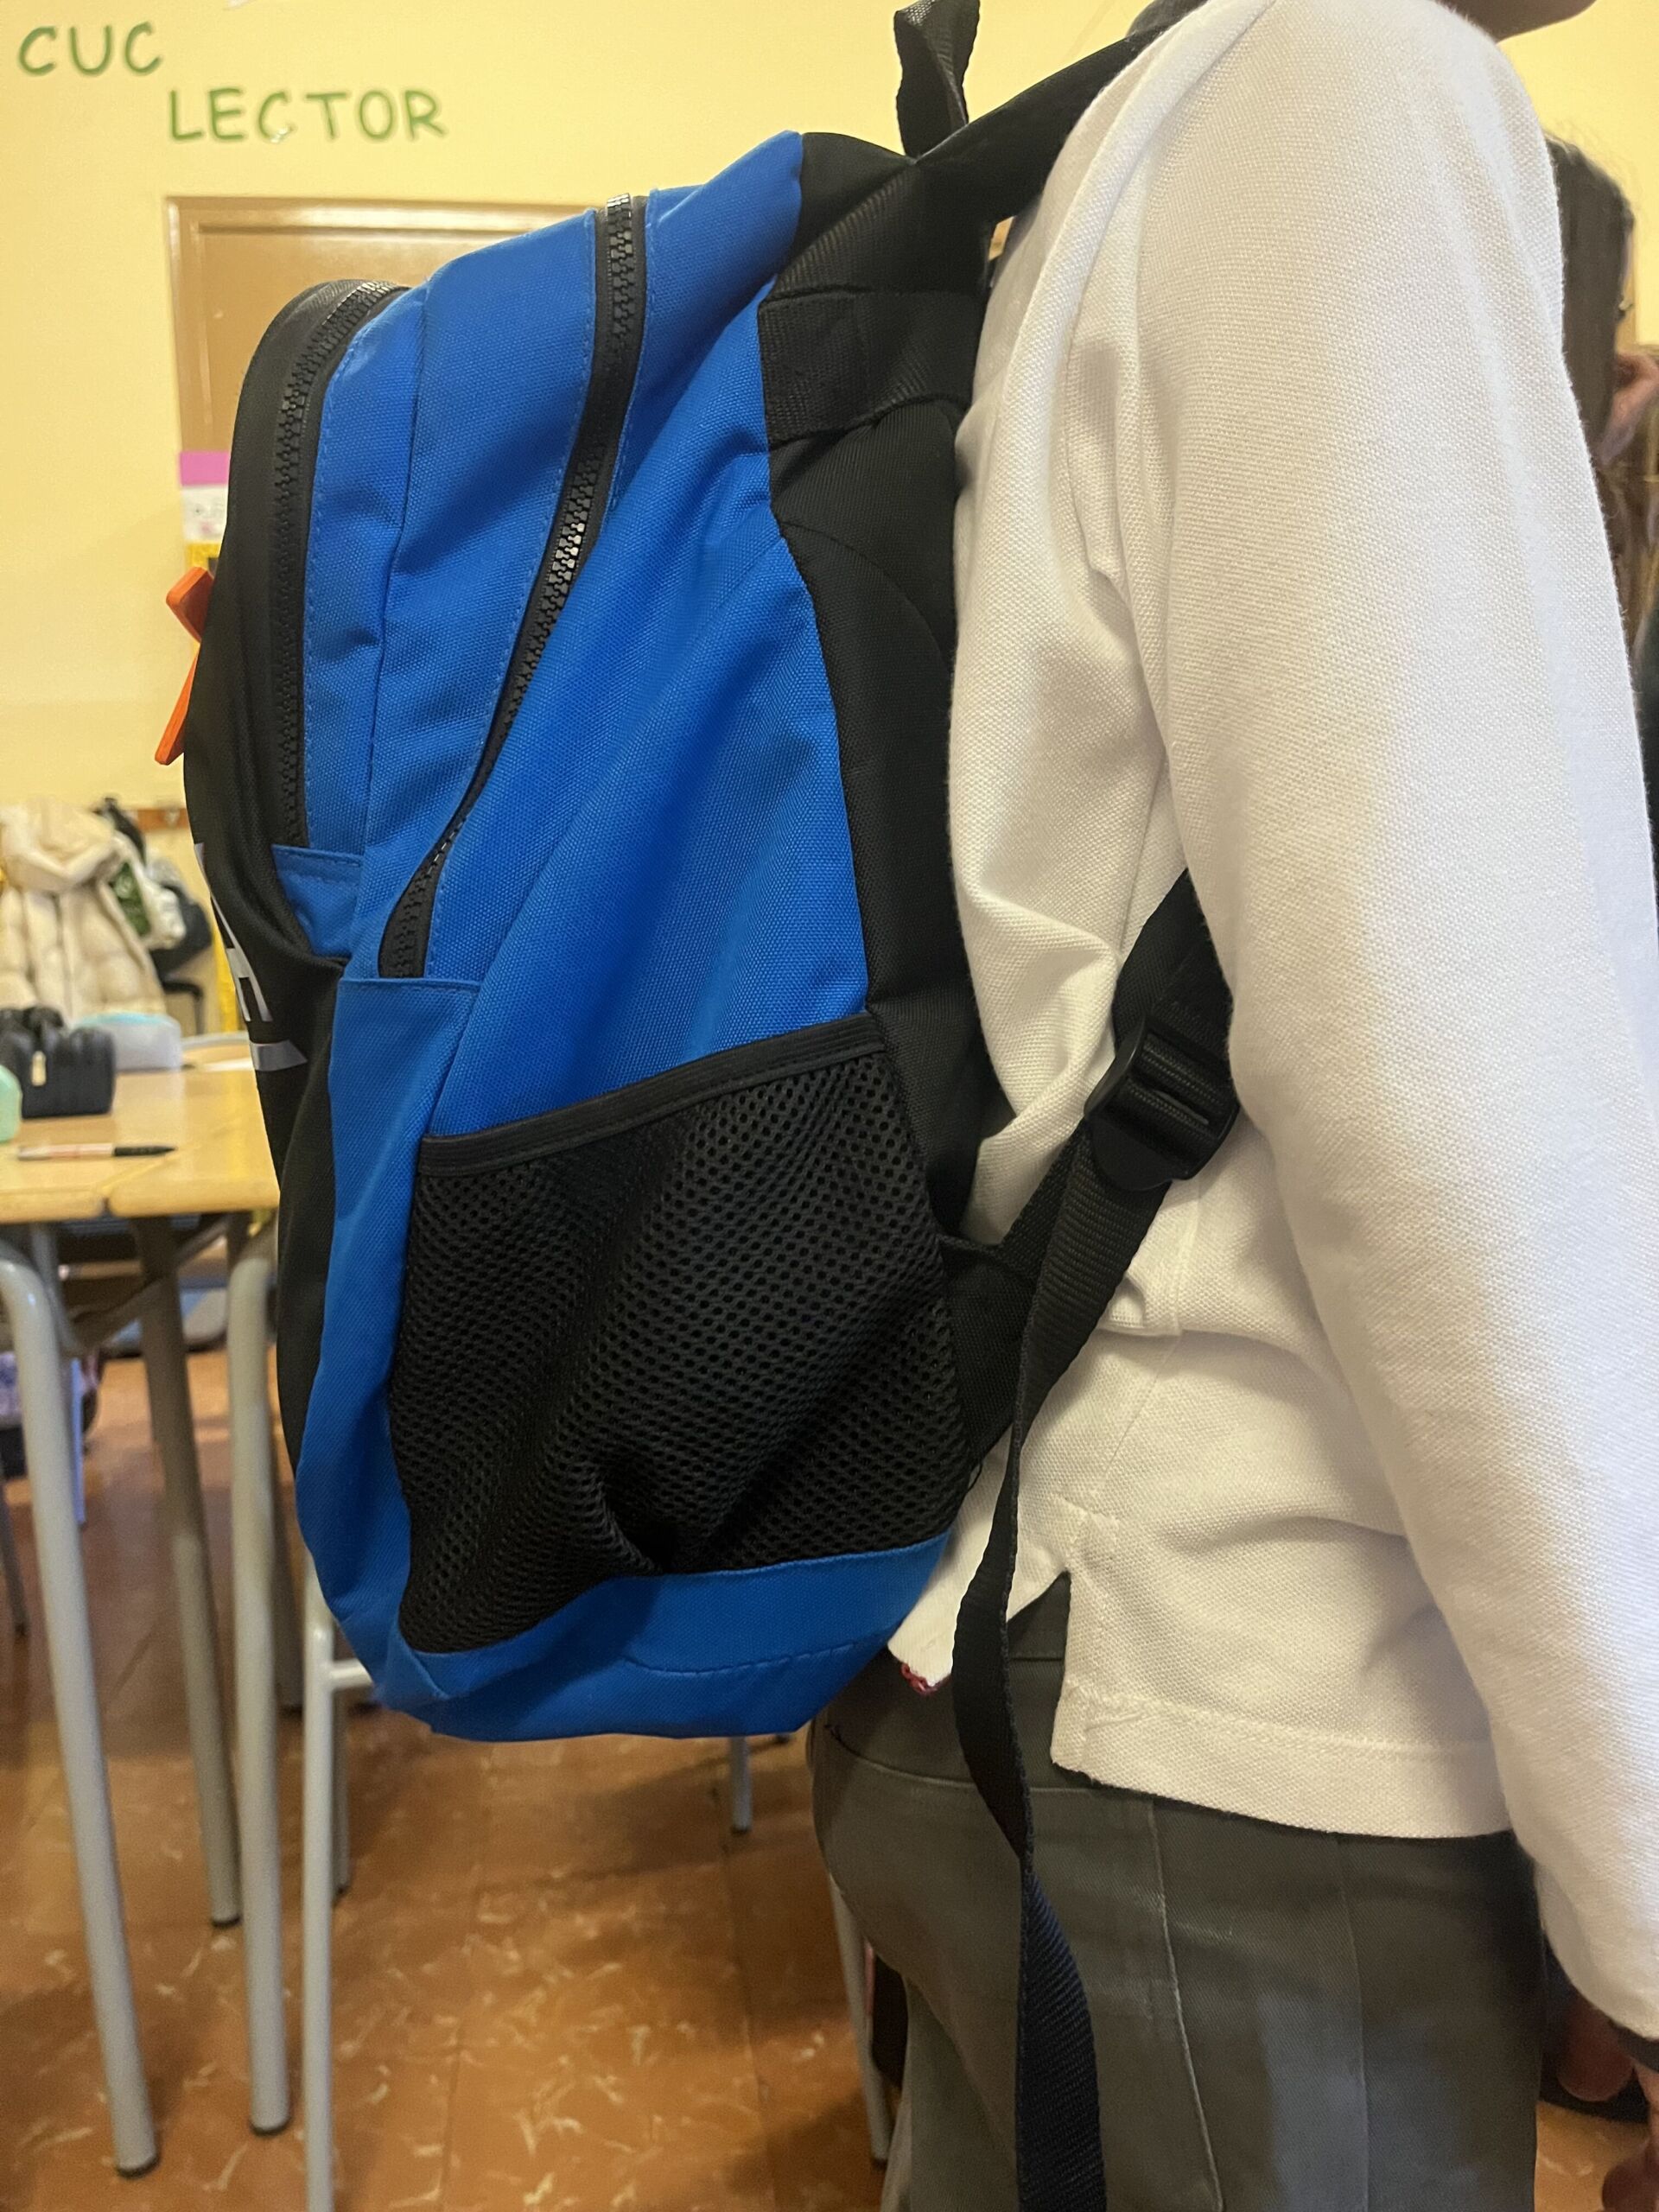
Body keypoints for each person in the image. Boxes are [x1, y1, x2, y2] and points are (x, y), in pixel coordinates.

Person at [811, 0, 1659, 2207]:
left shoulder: (1160, 117)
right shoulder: (1353, 86)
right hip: (1244, 1736)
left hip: (1031, 1642)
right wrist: (1648, 1891)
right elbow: (1452, 1095)